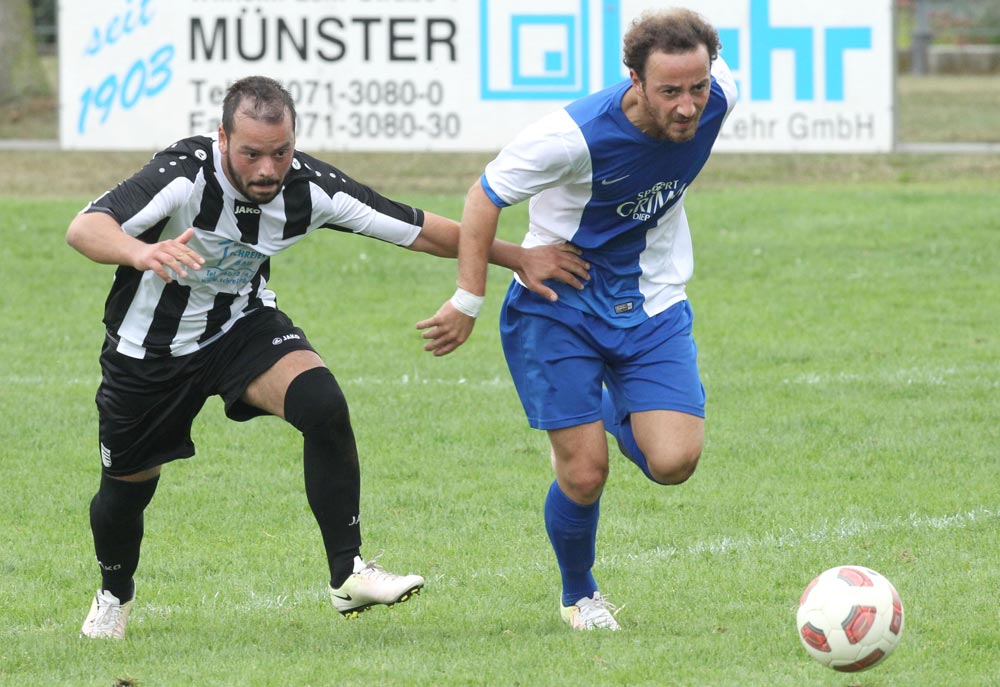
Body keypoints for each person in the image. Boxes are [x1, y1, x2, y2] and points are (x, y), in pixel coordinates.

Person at [67, 75, 589, 639]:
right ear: (222, 139)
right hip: (148, 351)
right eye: (251, 154)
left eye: (280, 152)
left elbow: (416, 229)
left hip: (239, 328)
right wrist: (141, 251)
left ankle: (348, 573)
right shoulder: (185, 173)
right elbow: (86, 227)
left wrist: (515, 256)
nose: (268, 169)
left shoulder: (308, 187)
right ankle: (114, 595)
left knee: (322, 402)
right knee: (126, 487)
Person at [417, 8, 737, 631]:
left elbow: (706, 84)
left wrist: (704, 88)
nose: (687, 106)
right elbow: (483, 197)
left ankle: (620, 413)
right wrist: (468, 299)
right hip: (557, 308)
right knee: (585, 472)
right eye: (669, 91)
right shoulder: (572, 136)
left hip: (652, 302)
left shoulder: (722, 93)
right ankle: (580, 594)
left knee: (673, 463)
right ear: (635, 82)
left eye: (697, 88)